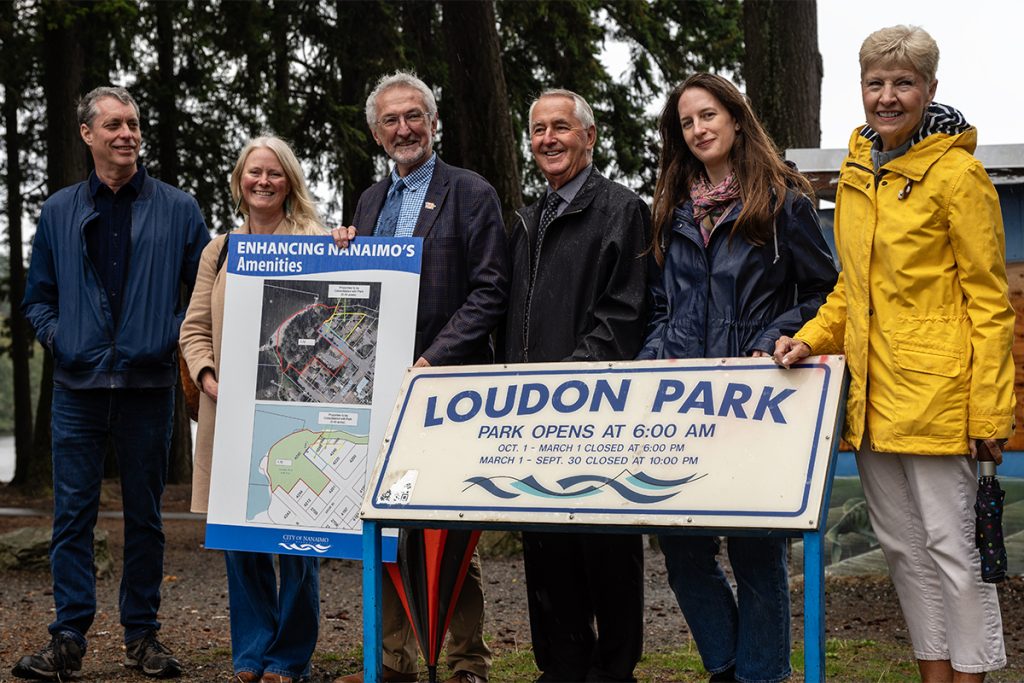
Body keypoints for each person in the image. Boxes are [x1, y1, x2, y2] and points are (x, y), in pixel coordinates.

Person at [775, 25, 1013, 682]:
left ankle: (971, 676)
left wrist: (989, 412)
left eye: (902, 83)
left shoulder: (958, 175)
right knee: (907, 553)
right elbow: (853, 290)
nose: (887, 96)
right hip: (874, 400)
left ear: (929, 89)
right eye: (875, 83)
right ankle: (933, 673)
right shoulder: (857, 173)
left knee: (954, 552)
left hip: (941, 401)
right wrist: (812, 338)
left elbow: (990, 302)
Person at [637, 73, 838, 683]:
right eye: (687, 122)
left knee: (756, 551)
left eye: (708, 115)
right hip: (680, 405)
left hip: (759, 398)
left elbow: (824, 291)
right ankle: (729, 667)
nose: (698, 129)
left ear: (735, 117)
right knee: (681, 550)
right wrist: (652, 359)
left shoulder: (783, 201)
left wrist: (767, 338)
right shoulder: (670, 209)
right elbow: (660, 306)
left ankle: (760, 675)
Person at [15, 86, 210, 681]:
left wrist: (170, 335)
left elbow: (207, 294)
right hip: (78, 387)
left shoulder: (179, 209)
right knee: (71, 514)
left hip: (149, 388)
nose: (127, 133)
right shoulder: (57, 211)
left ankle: (142, 636)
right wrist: (62, 338)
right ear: (87, 133)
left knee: (145, 517)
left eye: (134, 124)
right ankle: (68, 636)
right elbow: (38, 298)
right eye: (115, 125)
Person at [333, 71, 508, 683]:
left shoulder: (472, 192)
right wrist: (342, 256)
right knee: (384, 524)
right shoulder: (368, 202)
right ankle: (392, 660)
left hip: (448, 388)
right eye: (391, 120)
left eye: (414, 116)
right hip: (379, 391)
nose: (404, 128)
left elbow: (490, 292)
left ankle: (465, 661)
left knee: (451, 525)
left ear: (434, 123)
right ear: (377, 134)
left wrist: (432, 359)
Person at [502, 88, 650, 683]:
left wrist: (570, 382)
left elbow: (625, 310)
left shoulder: (621, 208)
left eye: (561, 128)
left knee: (606, 542)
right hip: (531, 412)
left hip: (597, 408)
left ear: (589, 137)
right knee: (545, 543)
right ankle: (561, 667)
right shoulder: (528, 219)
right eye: (538, 131)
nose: (548, 140)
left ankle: (614, 670)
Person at [179, 136, 324, 683]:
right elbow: (193, 329)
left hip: (296, 413)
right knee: (241, 538)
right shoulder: (218, 250)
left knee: (300, 542)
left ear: (290, 181)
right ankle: (251, 654)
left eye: (275, 174)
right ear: (240, 180)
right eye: (253, 173)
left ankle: (290, 658)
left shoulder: (316, 240)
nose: (263, 182)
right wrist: (207, 375)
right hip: (229, 414)